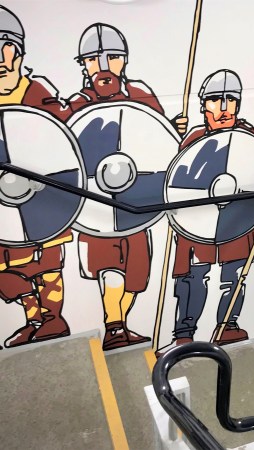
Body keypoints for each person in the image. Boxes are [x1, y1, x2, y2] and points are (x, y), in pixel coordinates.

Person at [66, 23, 187, 351]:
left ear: (124, 60)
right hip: (96, 202)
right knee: (109, 267)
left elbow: (159, 142)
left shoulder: (140, 95)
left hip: (138, 197)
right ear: (84, 65)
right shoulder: (76, 104)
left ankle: (119, 324)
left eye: (112, 57)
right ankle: (115, 326)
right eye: (94, 59)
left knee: (136, 275)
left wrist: (171, 129)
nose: (103, 66)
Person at [162, 69, 254, 350]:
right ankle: (184, 334)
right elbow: (179, 181)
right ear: (203, 105)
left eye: (230, 100)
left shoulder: (250, 135)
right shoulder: (194, 139)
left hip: (236, 217)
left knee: (235, 274)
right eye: (215, 100)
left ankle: (227, 326)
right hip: (199, 219)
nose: (223, 108)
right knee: (193, 277)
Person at [0, 5, 73, 348]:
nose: (1, 57)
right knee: (9, 267)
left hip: (43, 195)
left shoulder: (37, 93)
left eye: (6, 45)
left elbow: (65, 137)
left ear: (18, 50)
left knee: (46, 266)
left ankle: (52, 320)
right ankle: (34, 319)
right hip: (4, 201)